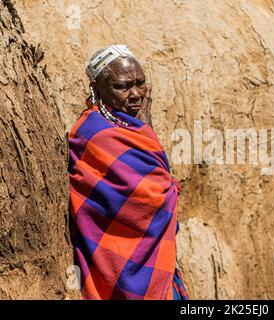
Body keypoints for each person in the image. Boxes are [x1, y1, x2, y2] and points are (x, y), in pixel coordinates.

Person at [68, 45, 189, 300]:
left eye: (140, 84)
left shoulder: (131, 129)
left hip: (157, 264)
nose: (136, 95)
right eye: (122, 87)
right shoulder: (94, 135)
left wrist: (145, 129)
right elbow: (151, 200)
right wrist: (147, 128)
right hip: (119, 266)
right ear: (97, 87)